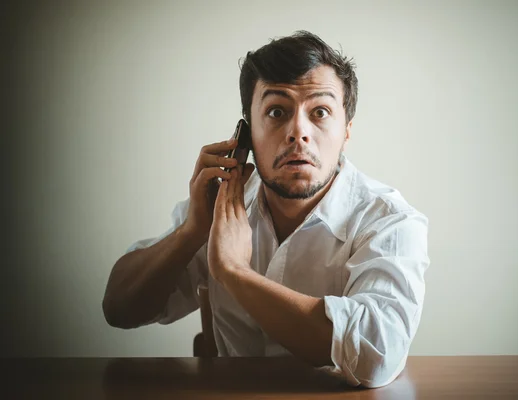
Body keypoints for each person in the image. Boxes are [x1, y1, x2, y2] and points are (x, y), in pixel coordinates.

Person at [102, 30, 430, 389]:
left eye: (320, 112)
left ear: (346, 131)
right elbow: (118, 309)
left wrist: (234, 273)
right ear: (246, 134)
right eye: (276, 111)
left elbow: (376, 355)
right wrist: (191, 232)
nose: (298, 132)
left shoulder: (391, 222)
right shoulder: (221, 206)